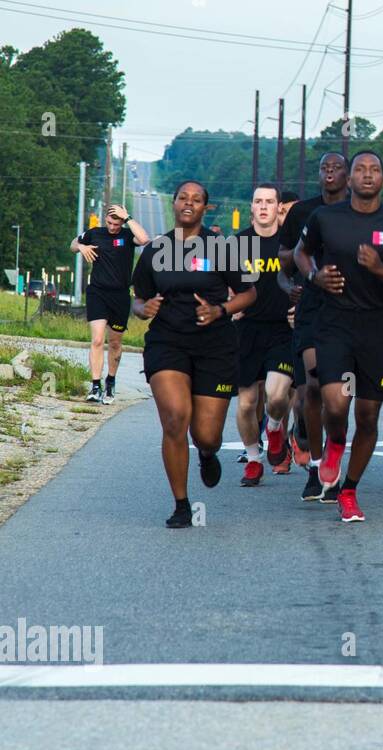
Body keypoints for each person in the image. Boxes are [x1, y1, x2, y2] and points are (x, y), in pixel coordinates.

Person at [293, 150, 383, 522]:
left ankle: (348, 490)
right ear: (348, 179)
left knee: (367, 417)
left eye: (375, 170)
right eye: (360, 170)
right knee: (335, 403)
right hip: (333, 323)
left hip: (375, 326)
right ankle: (334, 443)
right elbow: (302, 253)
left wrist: (380, 268)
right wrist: (314, 275)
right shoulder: (325, 218)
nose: (367, 175)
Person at [131, 180, 256, 527]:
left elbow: (250, 293)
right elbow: (138, 299)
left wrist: (222, 310)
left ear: (205, 208)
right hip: (167, 342)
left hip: (214, 345)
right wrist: (144, 308)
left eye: (196, 199)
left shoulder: (223, 247)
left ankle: (206, 452)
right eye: (183, 198)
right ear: (173, 204)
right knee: (174, 418)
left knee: (206, 434)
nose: (189, 203)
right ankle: (181, 504)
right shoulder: (155, 250)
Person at [278, 152, 349, 502]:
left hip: (349, 309)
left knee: (339, 398)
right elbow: (282, 258)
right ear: (318, 174)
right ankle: (315, 467)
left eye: (337, 168)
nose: (330, 173)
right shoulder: (301, 212)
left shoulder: (359, 213)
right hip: (311, 305)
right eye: (324, 167)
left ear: (348, 176)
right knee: (310, 390)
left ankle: (333, 458)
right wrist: (301, 271)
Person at [235, 182, 295, 486]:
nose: (263, 206)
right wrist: (229, 304)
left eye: (269, 202)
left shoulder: (291, 243)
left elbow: (307, 280)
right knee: (246, 403)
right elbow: (220, 282)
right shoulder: (237, 243)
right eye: (257, 201)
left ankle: (274, 426)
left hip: (283, 330)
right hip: (246, 329)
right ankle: (253, 459)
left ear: (278, 207)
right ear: (251, 207)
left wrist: (303, 309)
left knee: (275, 394)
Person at [72, 203, 150, 403]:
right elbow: (73, 244)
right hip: (97, 292)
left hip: (120, 295)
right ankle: (95, 385)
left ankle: (110, 382)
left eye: (116, 223)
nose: (112, 227)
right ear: (104, 219)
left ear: (122, 221)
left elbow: (144, 239)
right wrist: (81, 247)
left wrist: (129, 217)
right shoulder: (95, 233)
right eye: (109, 222)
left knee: (114, 342)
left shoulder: (126, 236)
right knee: (97, 339)